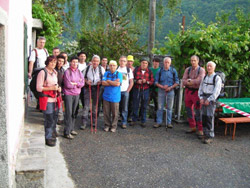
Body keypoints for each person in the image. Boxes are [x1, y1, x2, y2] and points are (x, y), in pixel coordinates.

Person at [36, 56, 61, 147]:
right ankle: (48, 138)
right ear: (47, 62)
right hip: (47, 100)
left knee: (54, 118)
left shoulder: (54, 72)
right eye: (51, 62)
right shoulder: (42, 72)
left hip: (55, 99)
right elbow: (38, 88)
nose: (53, 64)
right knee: (49, 119)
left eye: (55, 62)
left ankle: (52, 134)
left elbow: (56, 84)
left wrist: (58, 88)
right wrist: (51, 88)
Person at [199, 61, 222, 144]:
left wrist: (209, 99)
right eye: (208, 66)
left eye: (210, 66)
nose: (209, 68)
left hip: (211, 100)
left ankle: (210, 136)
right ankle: (205, 134)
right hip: (204, 97)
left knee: (209, 117)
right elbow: (200, 88)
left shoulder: (217, 78)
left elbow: (216, 91)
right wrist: (201, 97)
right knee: (204, 117)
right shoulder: (205, 77)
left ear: (214, 68)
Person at [182, 55, 205, 137]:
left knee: (198, 111)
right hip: (188, 92)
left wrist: (190, 81)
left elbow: (200, 80)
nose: (193, 62)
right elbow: (183, 80)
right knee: (188, 110)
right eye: (191, 60)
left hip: (196, 92)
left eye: (194, 60)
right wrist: (189, 82)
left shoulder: (201, 70)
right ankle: (192, 126)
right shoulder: (187, 70)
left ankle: (200, 129)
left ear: (198, 61)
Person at [154, 57, 179, 129]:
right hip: (161, 91)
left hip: (170, 91)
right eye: (165, 62)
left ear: (170, 63)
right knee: (160, 107)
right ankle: (159, 122)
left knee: (169, 108)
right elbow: (156, 82)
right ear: (163, 63)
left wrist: (170, 87)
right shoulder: (160, 71)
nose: (166, 64)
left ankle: (169, 123)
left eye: (168, 62)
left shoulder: (173, 71)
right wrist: (162, 86)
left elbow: (177, 82)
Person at [81, 55, 105, 130]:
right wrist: (87, 82)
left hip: (97, 88)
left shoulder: (101, 69)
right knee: (86, 105)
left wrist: (101, 82)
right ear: (91, 61)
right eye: (94, 61)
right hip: (88, 88)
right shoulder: (87, 68)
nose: (95, 62)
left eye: (97, 61)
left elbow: (104, 79)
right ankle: (84, 122)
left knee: (95, 106)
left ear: (99, 62)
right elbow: (82, 78)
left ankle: (94, 121)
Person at [63, 56, 85, 139]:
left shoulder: (79, 72)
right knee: (68, 113)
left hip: (76, 94)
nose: (75, 63)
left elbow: (82, 83)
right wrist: (77, 84)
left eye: (76, 62)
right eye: (73, 62)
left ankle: (71, 128)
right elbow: (68, 85)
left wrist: (74, 83)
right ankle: (66, 131)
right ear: (70, 62)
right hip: (69, 94)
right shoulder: (67, 72)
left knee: (74, 113)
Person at [131, 57, 154, 127]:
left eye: (146, 63)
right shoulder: (135, 70)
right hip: (136, 89)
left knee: (144, 106)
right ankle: (134, 120)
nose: (144, 64)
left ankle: (143, 121)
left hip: (145, 90)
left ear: (147, 64)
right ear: (140, 63)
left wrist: (146, 81)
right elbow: (132, 79)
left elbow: (152, 82)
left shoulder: (150, 71)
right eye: (143, 62)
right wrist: (137, 81)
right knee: (135, 105)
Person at [102, 60, 123, 132]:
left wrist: (108, 81)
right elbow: (103, 83)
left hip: (115, 97)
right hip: (106, 96)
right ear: (109, 66)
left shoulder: (119, 74)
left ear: (116, 66)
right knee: (106, 112)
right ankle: (107, 125)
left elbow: (117, 84)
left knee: (115, 113)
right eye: (111, 65)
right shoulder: (106, 73)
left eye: (114, 65)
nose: (112, 67)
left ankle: (114, 126)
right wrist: (113, 82)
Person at [117, 56, 134, 129]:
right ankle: (116, 121)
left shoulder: (128, 70)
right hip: (116, 91)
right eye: (121, 61)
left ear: (126, 62)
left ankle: (124, 122)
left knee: (125, 107)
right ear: (119, 61)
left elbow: (131, 82)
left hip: (125, 91)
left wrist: (127, 91)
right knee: (117, 107)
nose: (122, 62)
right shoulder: (116, 69)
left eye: (124, 61)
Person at [149, 57, 161, 122]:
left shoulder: (160, 70)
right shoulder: (150, 69)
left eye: (157, 62)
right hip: (149, 88)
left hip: (157, 89)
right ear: (152, 62)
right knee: (145, 102)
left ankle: (156, 118)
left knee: (157, 104)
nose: (155, 63)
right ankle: (142, 117)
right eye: (154, 61)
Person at [55, 55, 65, 125]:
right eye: (59, 61)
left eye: (62, 61)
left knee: (60, 104)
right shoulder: (52, 69)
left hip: (60, 90)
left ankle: (60, 118)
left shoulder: (63, 70)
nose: (60, 63)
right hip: (52, 89)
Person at [127, 55, 135, 122]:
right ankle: (122, 115)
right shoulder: (123, 68)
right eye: (128, 61)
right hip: (124, 87)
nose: (129, 63)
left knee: (131, 102)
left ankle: (129, 116)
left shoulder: (135, 69)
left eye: (131, 61)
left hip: (132, 88)